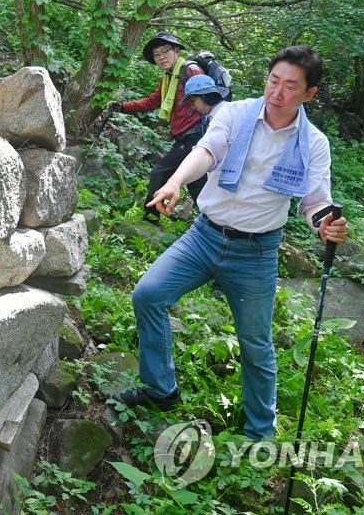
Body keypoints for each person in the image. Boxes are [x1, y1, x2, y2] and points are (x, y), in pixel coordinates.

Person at [113, 45, 349, 442]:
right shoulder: (234, 113)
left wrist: (326, 225)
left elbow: (314, 202)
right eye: (274, 81)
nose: (277, 92)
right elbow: (207, 150)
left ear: (309, 94)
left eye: (291, 87)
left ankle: (260, 433)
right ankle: (161, 389)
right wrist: (174, 182)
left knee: (256, 343)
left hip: (256, 252)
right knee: (148, 295)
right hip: (204, 236)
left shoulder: (313, 143)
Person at [107, 31, 205, 220]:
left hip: (195, 136)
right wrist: (122, 107)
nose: (161, 57)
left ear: (176, 50)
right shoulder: (169, 78)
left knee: (160, 171)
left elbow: (208, 99)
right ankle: (214, 223)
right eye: (156, 55)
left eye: (165, 51)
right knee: (196, 182)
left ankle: (150, 219)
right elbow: (152, 101)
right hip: (185, 137)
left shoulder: (190, 70)